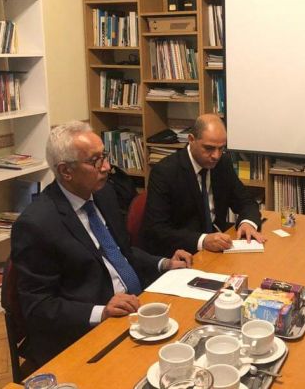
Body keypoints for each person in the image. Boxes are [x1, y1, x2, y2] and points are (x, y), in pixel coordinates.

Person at [11, 121, 192, 366]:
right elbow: (38, 306)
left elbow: (121, 252)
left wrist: (164, 263)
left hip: (135, 309)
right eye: (95, 161)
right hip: (86, 334)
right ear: (65, 171)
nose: (106, 167)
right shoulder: (37, 224)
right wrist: (100, 312)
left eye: (104, 156)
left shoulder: (103, 194)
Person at [142, 114, 264, 257]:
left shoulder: (222, 163)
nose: (216, 156)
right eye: (209, 148)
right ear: (191, 140)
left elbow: (246, 201)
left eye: (221, 148)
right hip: (184, 252)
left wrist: (247, 223)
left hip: (218, 248)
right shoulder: (165, 172)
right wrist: (202, 240)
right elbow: (157, 230)